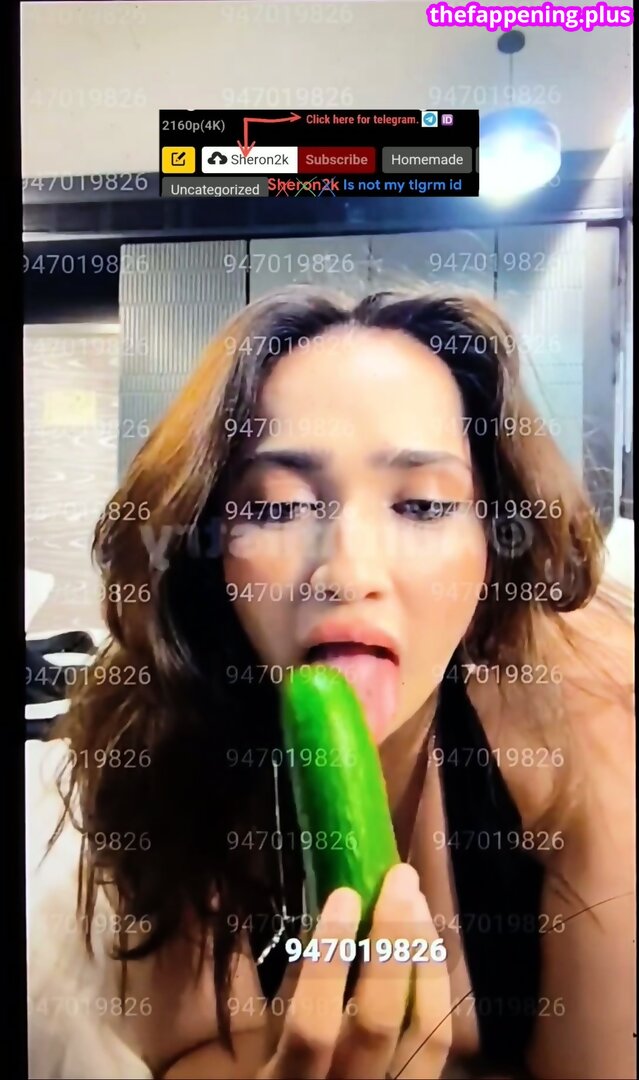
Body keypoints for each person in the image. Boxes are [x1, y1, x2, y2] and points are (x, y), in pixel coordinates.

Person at [26, 285, 635, 1080]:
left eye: (422, 505)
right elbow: (193, 1050)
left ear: (493, 546)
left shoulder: (588, 703)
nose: (345, 572)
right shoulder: (166, 727)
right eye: (277, 509)